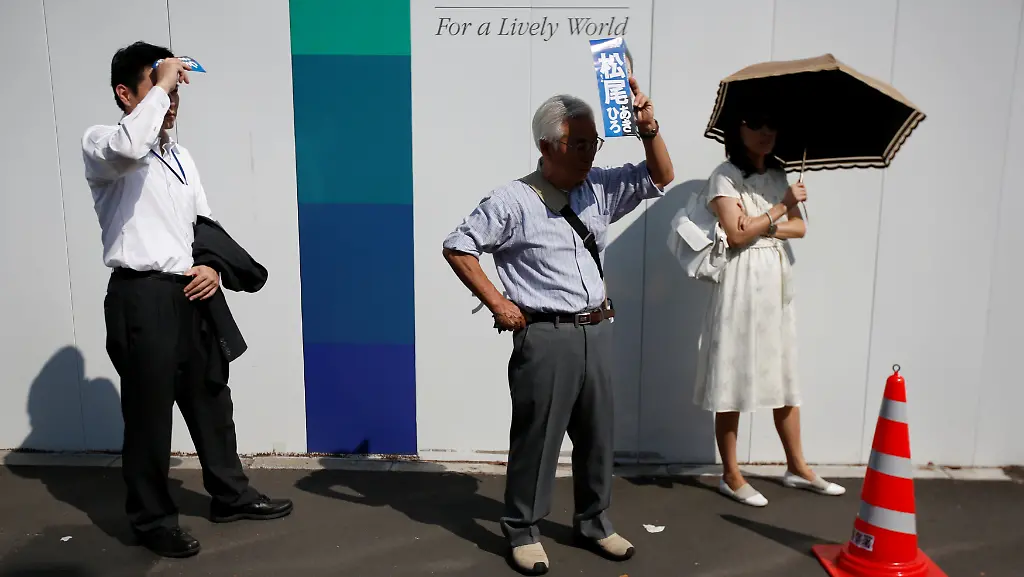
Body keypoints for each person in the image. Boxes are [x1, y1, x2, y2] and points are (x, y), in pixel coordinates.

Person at [441, 80, 674, 575]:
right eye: (578, 143)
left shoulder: (600, 187)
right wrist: (499, 303)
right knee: (539, 439)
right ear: (547, 146)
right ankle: (523, 530)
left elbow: (661, 176)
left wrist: (648, 129)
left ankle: (594, 522)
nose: (589, 153)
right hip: (546, 336)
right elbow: (459, 245)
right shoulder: (513, 200)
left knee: (597, 437)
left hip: (597, 328)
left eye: (594, 143)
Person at [81, 41, 292, 558]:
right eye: (159, 87)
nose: (171, 99)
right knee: (149, 414)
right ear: (125, 93)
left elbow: (202, 223)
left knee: (211, 395)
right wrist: (162, 86)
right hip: (141, 297)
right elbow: (131, 146)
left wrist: (212, 266)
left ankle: (230, 495)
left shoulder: (179, 155)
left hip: (190, 294)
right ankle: (152, 520)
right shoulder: (104, 142)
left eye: (175, 90)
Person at [692, 103, 845, 507]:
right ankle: (731, 474)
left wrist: (763, 223)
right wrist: (779, 208)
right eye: (756, 123)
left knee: (784, 372)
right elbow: (735, 235)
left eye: (771, 124)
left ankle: (797, 466)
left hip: (775, 281)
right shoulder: (725, 176)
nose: (765, 132)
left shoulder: (778, 175)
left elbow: (800, 228)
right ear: (738, 129)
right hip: (740, 281)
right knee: (731, 373)